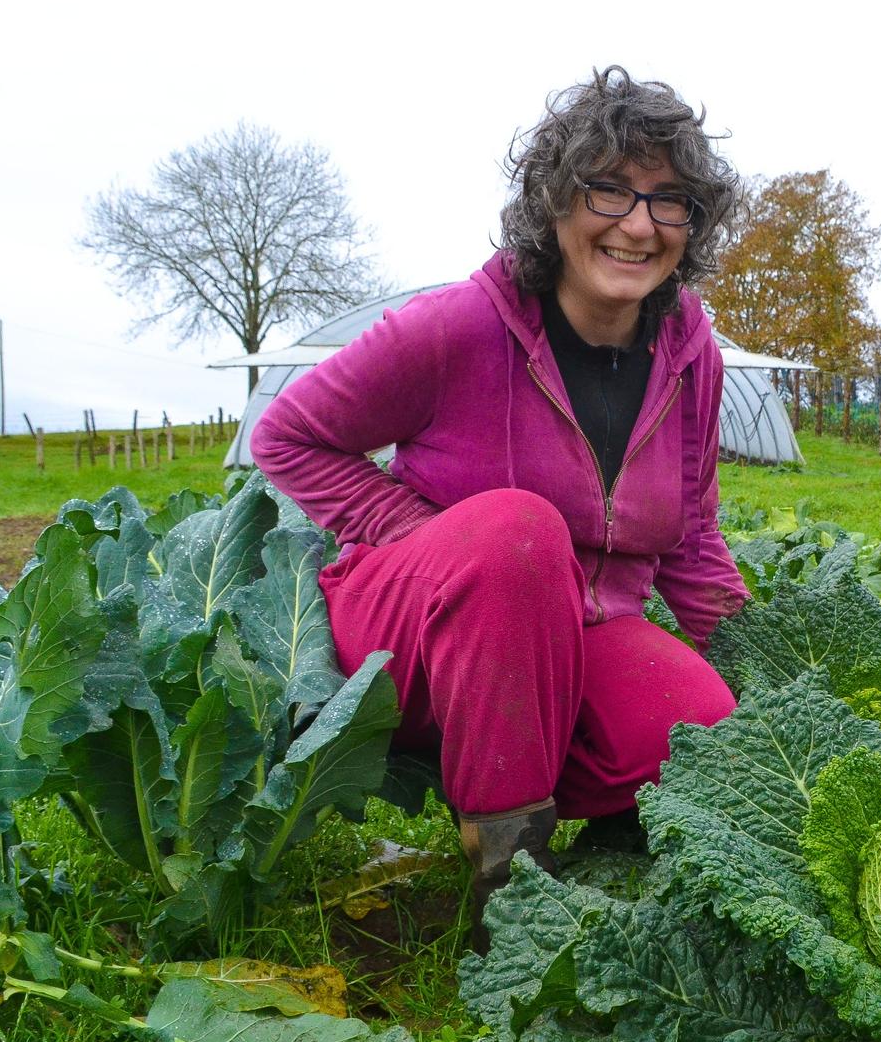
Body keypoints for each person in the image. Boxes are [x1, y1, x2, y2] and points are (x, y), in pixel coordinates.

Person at [252, 67, 747, 898]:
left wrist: (771, 687)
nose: (638, 224)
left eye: (669, 202)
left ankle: (564, 794)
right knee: (517, 532)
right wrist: (420, 533)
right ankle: (507, 883)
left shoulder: (688, 353)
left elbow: (692, 538)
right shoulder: (460, 326)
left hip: (572, 631)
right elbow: (289, 435)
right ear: (555, 203)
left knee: (699, 723)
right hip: (415, 620)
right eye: (609, 191)